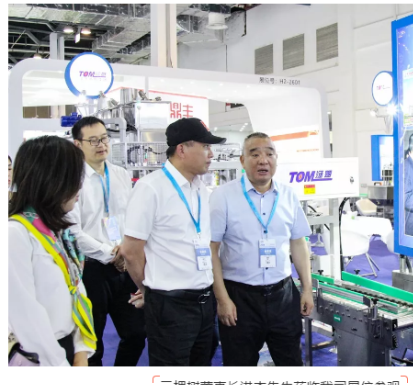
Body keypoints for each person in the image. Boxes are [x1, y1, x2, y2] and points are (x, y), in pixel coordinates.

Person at [121, 118, 226, 366]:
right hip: (170, 305)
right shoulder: (150, 188)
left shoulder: (200, 188)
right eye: (205, 147)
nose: (211, 154)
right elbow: (131, 251)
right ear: (182, 149)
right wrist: (149, 290)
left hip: (204, 301)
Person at [209, 132, 314, 366]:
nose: (263, 160)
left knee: (291, 363)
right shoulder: (223, 196)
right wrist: (222, 299)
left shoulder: (288, 195)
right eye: (254, 154)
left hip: (283, 295)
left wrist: (307, 289)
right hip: (239, 298)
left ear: (276, 159)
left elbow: (298, 242)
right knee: (239, 365)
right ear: (242, 160)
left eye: (269, 154)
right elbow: (211, 249)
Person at [8, 136, 96, 366]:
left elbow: (75, 287)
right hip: (40, 359)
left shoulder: (55, 231)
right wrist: (60, 365)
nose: (80, 187)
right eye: (74, 178)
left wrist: (81, 350)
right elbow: (26, 318)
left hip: (66, 348)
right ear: (53, 180)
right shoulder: (15, 235)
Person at [67, 117, 146, 367]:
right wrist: (111, 253)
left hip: (125, 266)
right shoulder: (72, 179)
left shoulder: (121, 174)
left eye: (104, 138)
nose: (101, 144)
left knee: (136, 333)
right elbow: (73, 232)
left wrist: (126, 250)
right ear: (78, 144)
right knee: (93, 342)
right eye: (93, 140)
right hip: (91, 269)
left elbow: (131, 217)